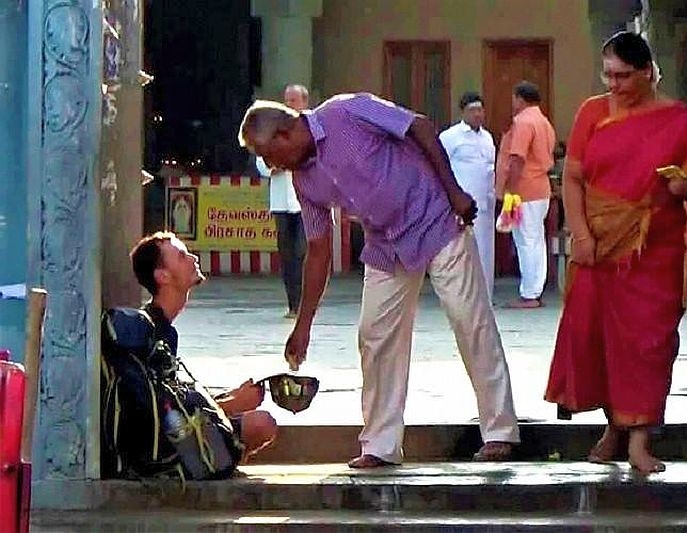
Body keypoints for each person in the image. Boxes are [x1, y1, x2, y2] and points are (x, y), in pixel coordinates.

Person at [238, 93, 520, 468]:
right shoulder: (303, 182)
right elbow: (318, 251)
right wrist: (303, 326)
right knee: (375, 336)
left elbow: (419, 126)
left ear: (285, 134)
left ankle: (500, 432)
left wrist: (454, 192)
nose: (270, 165)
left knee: (471, 322)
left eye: (268, 154)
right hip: (386, 243)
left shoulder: (346, 110)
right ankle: (381, 445)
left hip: (435, 218)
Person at [544, 32, 687, 473]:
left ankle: (640, 441)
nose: (614, 84)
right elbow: (573, 179)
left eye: (623, 76)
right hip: (597, 246)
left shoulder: (677, 119)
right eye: (608, 75)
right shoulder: (592, 112)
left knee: (649, 344)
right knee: (598, 339)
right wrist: (581, 235)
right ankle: (614, 426)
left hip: (654, 250)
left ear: (647, 72)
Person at [129, 232, 278, 460]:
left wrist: (231, 397)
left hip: (175, 429)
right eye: (182, 256)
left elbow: (176, 398)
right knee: (261, 424)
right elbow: (166, 416)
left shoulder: (164, 328)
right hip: (161, 448)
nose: (193, 258)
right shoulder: (153, 333)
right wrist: (233, 404)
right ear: (163, 276)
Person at [496, 81, 556, 309]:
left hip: (524, 189)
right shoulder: (544, 122)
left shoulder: (523, 122)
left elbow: (517, 158)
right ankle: (534, 290)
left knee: (525, 241)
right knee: (535, 240)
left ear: (519, 98)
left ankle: (529, 294)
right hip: (540, 188)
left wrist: (511, 190)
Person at [256, 84, 309, 319]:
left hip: (306, 202)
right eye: (287, 100)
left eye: (294, 100)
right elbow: (261, 160)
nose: (289, 104)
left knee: (303, 252)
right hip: (281, 202)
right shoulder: (271, 127)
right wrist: (273, 165)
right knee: (287, 255)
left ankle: (307, 303)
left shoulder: (312, 126)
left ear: (304, 102)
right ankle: (293, 304)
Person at [439, 91, 497, 301]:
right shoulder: (450, 137)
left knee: (485, 251)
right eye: (473, 110)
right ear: (462, 112)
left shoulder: (487, 137)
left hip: (485, 204)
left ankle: (485, 296)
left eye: (480, 110)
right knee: (461, 251)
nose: (477, 114)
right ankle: (463, 298)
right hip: (462, 205)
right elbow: (440, 167)